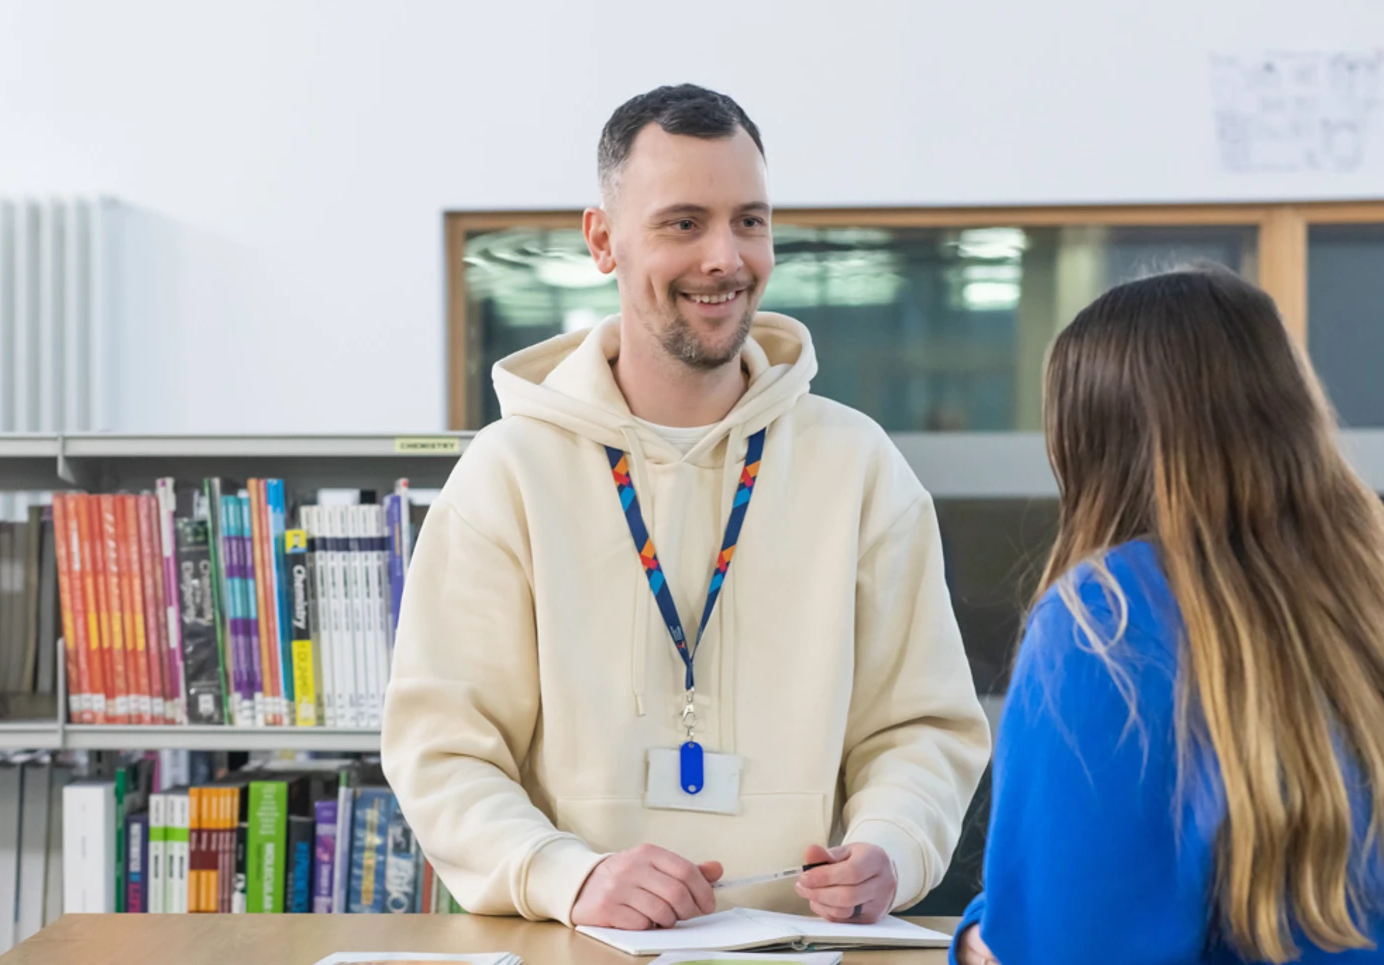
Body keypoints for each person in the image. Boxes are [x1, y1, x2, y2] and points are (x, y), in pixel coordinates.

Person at [382, 83, 990, 932]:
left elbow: (920, 724)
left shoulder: (858, 466)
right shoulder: (507, 474)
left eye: (750, 220)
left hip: (813, 948)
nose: (725, 257)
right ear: (603, 240)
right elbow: (442, 749)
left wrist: (893, 843)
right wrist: (571, 875)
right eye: (683, 223)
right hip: (579, 945)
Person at [953, 265, 1384, 965]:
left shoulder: (1107, 619)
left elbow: (1062, 946)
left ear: (1092, 443)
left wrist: (981, 936)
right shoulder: (1366, 591)